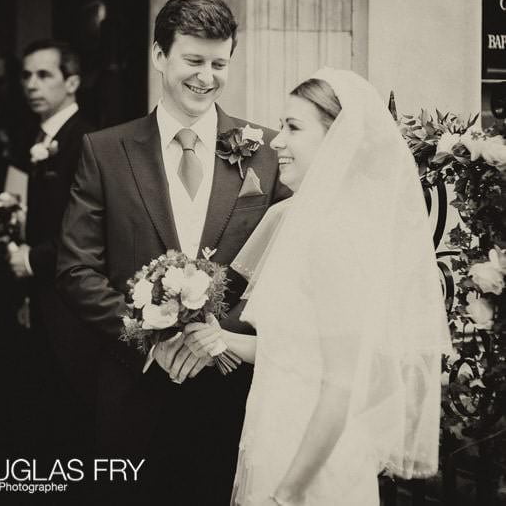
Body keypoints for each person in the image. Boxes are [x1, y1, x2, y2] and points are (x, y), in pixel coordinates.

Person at [56, 0, 290, 505]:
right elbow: (76, 269)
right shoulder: (105, 150)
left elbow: (292, 268)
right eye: (193, 60)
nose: (206, 76)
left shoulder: (268, 153)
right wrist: (151, 339)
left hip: (236, 396)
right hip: (135, 393)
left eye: (219, 63)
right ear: (160, 56)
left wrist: (222, 340)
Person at [184, 68, 451, 505]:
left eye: (293, 127)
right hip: (278, 438)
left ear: (337, 139)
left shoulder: (333, 237)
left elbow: (343, 386)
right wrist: (221, 339)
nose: (276, 140)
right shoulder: (306, 223)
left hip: (311, 463)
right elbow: (295, 350)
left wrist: (286, 495)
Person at [8, 39, 94, 457]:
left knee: (69, 416)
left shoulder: (86, 141)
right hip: (39, 297)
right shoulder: (34, 138)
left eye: (44, 75)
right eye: (26, 75)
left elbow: (87, 229)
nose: (31, 85)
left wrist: (30, 259)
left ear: (72, 81)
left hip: (71, 301)